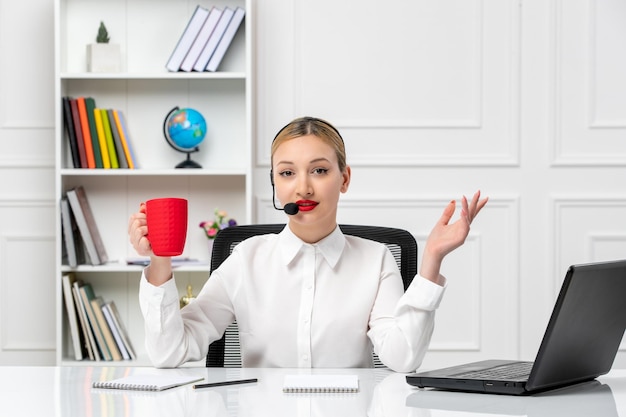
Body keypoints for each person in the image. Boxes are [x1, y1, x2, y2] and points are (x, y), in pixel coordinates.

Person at [128, 116, 488, 372]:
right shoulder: (246, 258)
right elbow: (170, 352)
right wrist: (160, 261)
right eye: (287, 173)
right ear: (275, 184)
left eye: (319, 170)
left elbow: (402, 357)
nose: (303, 187)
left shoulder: (376, 259)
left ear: (344, 179)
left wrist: (431, 263)